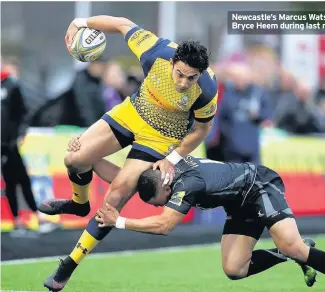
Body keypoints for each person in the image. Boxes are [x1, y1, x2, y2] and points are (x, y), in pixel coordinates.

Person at [39, 15, 218, 291]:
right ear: (172, 62)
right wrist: (80, 21)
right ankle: (78, 203)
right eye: (180, 74)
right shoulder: (155, 51)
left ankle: (69, 264)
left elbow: (201, 131)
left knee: (116, 196)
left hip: (161, 138)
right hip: (132, 113)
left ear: (200, 75)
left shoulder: (207, 90)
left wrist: (170, 159)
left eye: (191, 78)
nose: (183, 82)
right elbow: (122, 23)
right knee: (74, 159)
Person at [89, 154, 325, 292]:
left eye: (160, 201)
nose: (163, 205)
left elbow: (165, 226)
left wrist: (120, 222)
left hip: (260, 185)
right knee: (234, 269)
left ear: (165, 186)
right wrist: (89, 157)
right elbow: (120, 175)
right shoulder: (158, 173)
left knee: (294, 247)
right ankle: (290, 254)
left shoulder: (188, 184)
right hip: (238, 203)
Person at [1, 58, 57, 237]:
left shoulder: (12, 85)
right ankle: (20, 220)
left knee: (21, 179)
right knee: (11, 182)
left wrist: (19, 133)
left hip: (9, 143)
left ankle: (32, 217)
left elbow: (23, 112)